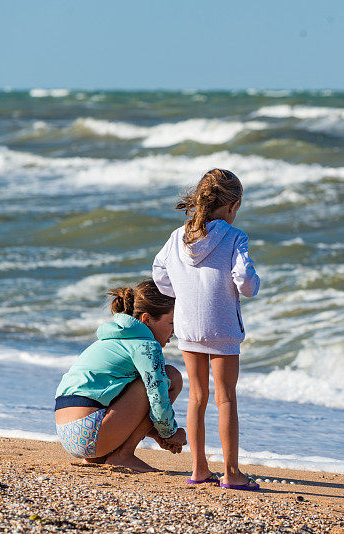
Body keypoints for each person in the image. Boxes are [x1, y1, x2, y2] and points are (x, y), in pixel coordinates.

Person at [153, 168, 261, 489]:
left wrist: (181, 291)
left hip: (188, 326)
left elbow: (160, 275)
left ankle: (199, 469)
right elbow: (244, 282)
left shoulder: (178, 237)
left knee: (197, 397)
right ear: (233, 206)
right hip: (223, 327)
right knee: (225, 398)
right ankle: (232, 473)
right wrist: (253, 283)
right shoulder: (235, 236)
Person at [54, 280, 187, 473]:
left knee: (135, 383)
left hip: (69, 433)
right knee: (171, 377)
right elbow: (157, 398)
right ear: (146, 319)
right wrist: (170, 432)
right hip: (90, 431)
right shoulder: (147, 346)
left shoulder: (112, 339)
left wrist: (158, 435)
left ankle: (99, 456)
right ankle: (123, 456)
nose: (174, 332)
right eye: (171, 323)